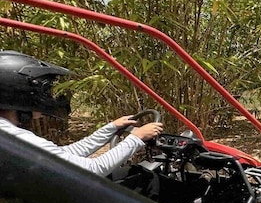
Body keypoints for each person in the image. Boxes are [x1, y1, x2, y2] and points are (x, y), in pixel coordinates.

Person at [0, 50, 163, 177]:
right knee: (146, 179)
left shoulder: (8, 134)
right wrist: (137, 138)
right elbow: (93, 169)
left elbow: (65, 154)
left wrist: (111, 128)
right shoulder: (17, 139)